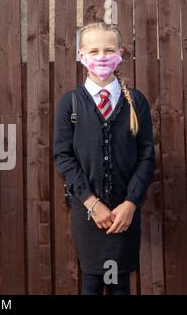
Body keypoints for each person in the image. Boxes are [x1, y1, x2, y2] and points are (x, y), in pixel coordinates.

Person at [53, 22, 155, 295]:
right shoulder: (70, 104)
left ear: (120, 54)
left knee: (120, 283)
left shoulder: (137, 101)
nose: (101, 56)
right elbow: (63, 157)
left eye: (108, 50)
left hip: (124, 215)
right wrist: (91, 203)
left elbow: (146, 157)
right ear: (81, 55)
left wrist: (131, 203)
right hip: (88, 215)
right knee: (92, 283)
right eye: (94, 50)